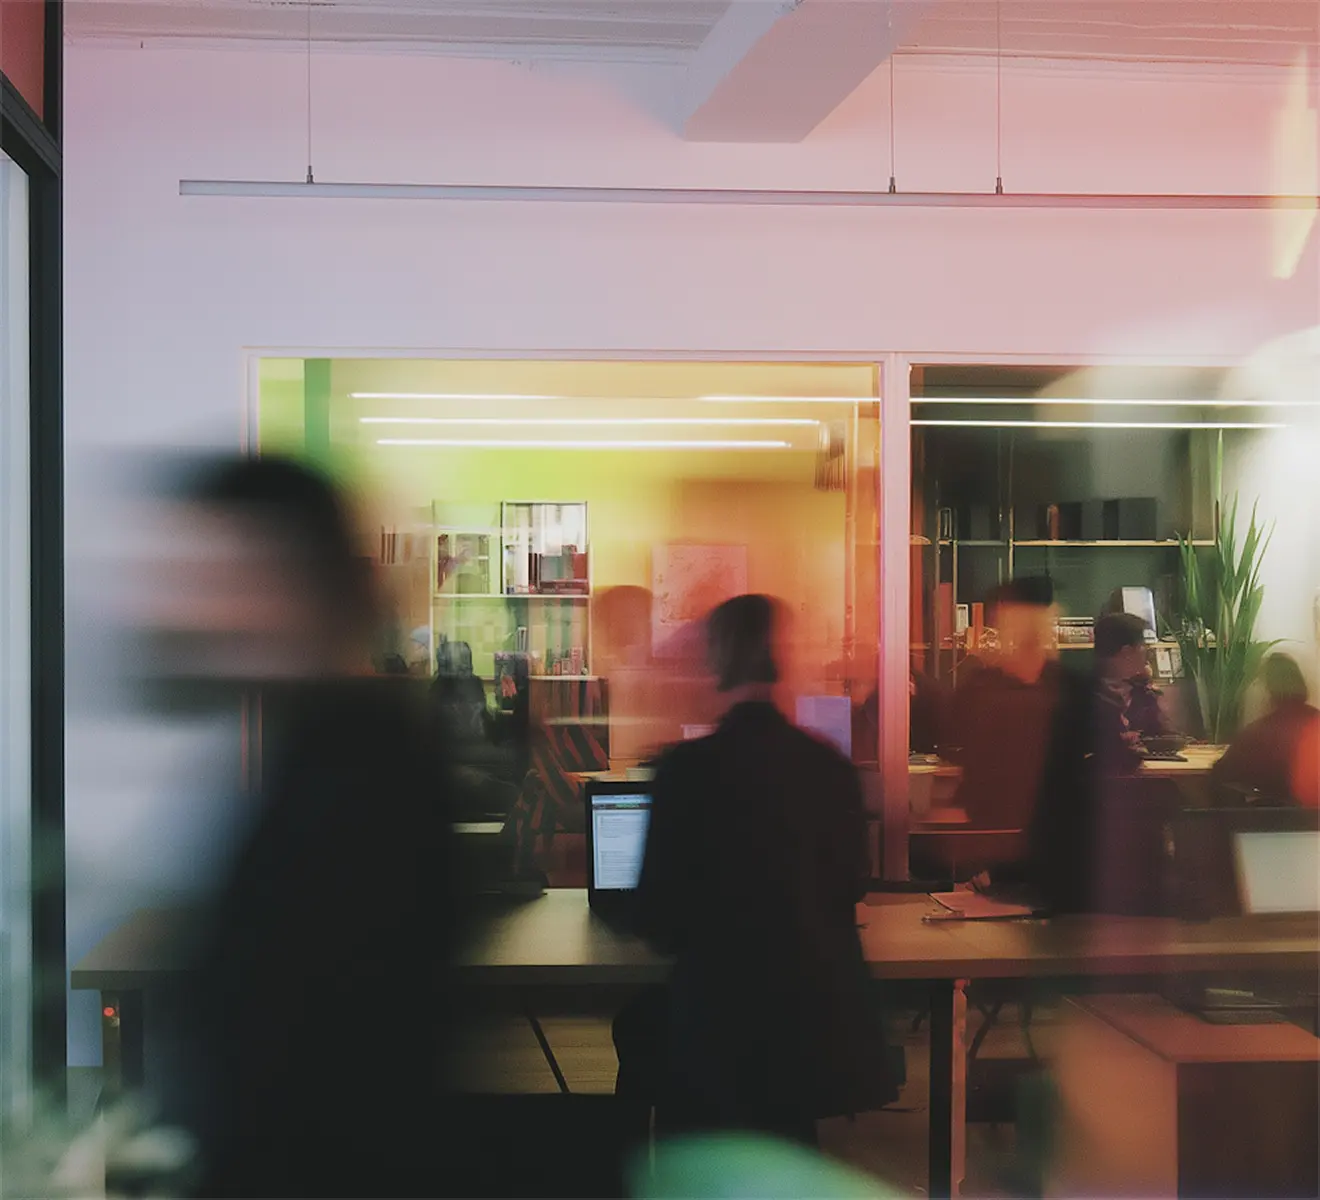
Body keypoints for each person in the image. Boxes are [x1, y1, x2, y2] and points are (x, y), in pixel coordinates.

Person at [147, 456, 456, 1198]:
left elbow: (326, 1059)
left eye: (223, 578)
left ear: (303, 586)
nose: (187, 608)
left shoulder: (364, 766)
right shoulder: (315, 746)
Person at [621, 594, 895, 1145]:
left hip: (711, 1037)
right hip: (800, 1042)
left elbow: (658, 916)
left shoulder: (684, 771)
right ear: (784, 660)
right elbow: (850, 888)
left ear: (717, 660)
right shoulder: (828, 769)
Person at [1212, 652, 1320, 804]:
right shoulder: (1315, 723)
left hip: (1270, 822)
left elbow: (1221, 773)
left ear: (1268, 690)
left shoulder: (1258, 732)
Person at [1090, 612, 1151, 776]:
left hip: (1146, 777)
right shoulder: (1087, 698)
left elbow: (1165, 735)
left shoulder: (1142, 692)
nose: (1148, 650)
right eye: (1144, 644)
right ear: (1127, 652)